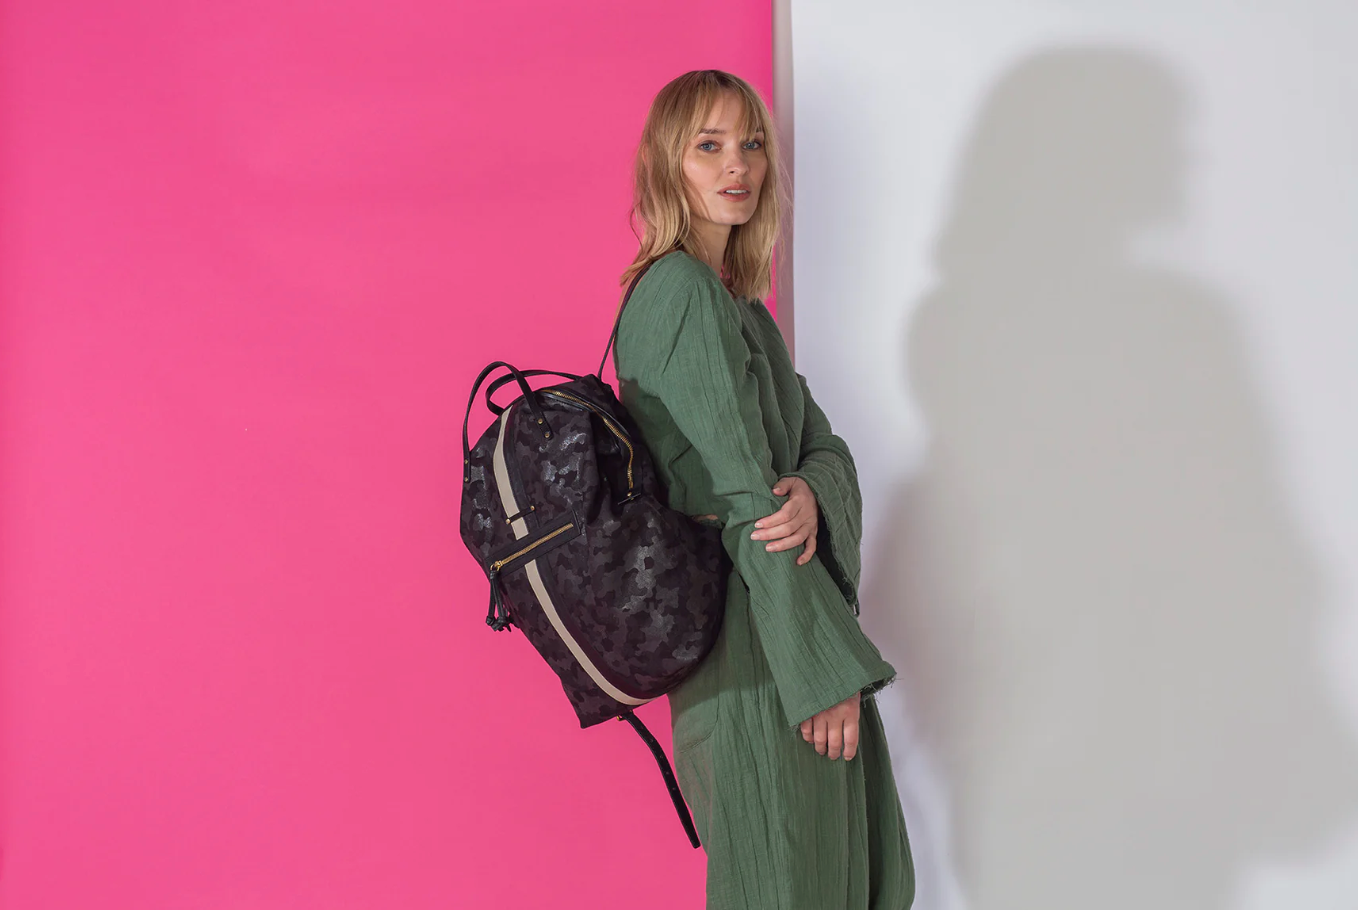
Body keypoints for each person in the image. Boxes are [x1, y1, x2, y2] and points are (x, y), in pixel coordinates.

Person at [611, 70, 916, 910]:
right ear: (668, 164)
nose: (736, 165)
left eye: (749, 144)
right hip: (760, 653)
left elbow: (825, 450)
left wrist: (815, 492)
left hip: (776, 633)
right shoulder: (678, 295)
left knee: (826, 876)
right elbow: (747, 503)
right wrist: (819, 671)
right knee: (787, 883)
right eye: (707, 146)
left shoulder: (741, 308)